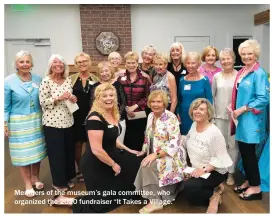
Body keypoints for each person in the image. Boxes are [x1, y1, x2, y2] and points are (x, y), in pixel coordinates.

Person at [69, 83, 142, 212]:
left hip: (111, 157)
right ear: (98, 98)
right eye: (104, 96)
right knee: (101, 205)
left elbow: (113, 140)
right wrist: (113, 164)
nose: (109, 98)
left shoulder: (112, 113)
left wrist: (129, 150)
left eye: (111, 95)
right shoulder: (94, 118)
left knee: (135, 164)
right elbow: (96, 150)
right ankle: (66, 200)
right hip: (96, 163)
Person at [134, 90, 187, 213]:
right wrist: (144, 150)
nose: (155, 104)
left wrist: (155, 155)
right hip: (154, 152)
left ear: (164, 103)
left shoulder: (171, 117)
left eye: (159, 101)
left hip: (171, 155)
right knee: (141, 160)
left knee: (148, 165)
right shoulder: (151, 116)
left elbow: (174, 143)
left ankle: (156, 201)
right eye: (153, 101)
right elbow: (147, 136)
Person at [230, 39, 269, 200]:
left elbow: (263, 98)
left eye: (250, 54)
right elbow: (240, 93)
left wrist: (243, 108)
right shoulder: (244, 70)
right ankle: (249, 181)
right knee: (245, 153)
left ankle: (256, 188)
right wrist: (232, 105)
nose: (246, 56)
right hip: (241, 120)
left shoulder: (259, 73)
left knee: (249, 154)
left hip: (251, 120)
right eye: (243, 54)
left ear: (256, 54)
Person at [4, 50, 47, 197]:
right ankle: (28, 183)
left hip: (36, 120)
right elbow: (5, 106)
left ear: (31, 64)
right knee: (23, 154)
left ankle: (35, 177)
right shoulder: (8, 81)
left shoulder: (38, 78)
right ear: (16, 64)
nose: (25, 64)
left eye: (27, 61)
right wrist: (4, 124)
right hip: (18, 122)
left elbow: (43, 99)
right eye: (21, 62)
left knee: (37, 151)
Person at [183, 98, 233, 213]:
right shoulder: (194, 124)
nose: (197, 111)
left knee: (190, 188)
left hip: (214, 170)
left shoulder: (214, 132)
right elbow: (189, 139)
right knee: (183, 184)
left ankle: (214, 197)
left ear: (208, 112)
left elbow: (221, 157)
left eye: (201, 109)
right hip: (197, 167)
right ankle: (213, 187)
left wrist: (204, 170)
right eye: (195, 109)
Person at [39, 54, 77, 192]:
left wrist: (72, 98)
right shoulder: (46, 81)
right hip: (52, 123)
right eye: (55, 62)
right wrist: (59, 97)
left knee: (68, 152)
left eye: (61, 63)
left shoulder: (67, 80)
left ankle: (68, 177)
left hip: (68, 121)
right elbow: (43, 102)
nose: (58, 65)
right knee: (56, 154)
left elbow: (69, 97)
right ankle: (58, 183)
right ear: (50, 65)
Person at [212, 48, 239, 186]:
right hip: (219, 116)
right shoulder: (217, 77)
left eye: (228, 58)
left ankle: (231, 173)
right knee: (219, 145)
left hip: (235, 118)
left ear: (233, 59)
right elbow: (212, 96)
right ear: (220, 61)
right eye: (223, 59)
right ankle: (220, 172)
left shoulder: (239, 76)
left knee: (232, 146)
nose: (226, 61)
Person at [70, 52, 99, 182]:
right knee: (77, 144)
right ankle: (80, 169)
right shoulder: (71, 79)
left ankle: (91, 168)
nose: (82, 64)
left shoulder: (95, 78)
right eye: (79, 62)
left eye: (84, 61)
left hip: (91, 114)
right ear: (76, 65)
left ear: (89, 62)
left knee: (91, 143)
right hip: (76, 115)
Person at [118, 51, 151, 151]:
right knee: (125, 139)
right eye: (129, 62)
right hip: (124, 113)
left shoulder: (145, 78)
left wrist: (136, 106)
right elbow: (118, 95)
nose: (131, 65)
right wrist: (127, 108)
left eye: (133, 62)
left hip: (140, 114)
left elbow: (149, 96)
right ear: (125, 64)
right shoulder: (120, 78)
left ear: (137, 63)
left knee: (138, 140)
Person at [89, 61, 127, 143]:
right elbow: (92, 103)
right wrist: (103, 117)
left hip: (118, 120)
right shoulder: (94, 87)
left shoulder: (118, 85)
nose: (104, 73)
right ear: (99, 73)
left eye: (106, 71)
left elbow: (124, 102)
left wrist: (116, 116)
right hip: (101, 121)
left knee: (119, 146)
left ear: (111, 72)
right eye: (102, 71)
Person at [177, 52, 213, 135]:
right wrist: (178, 112)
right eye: (188, 63)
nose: (190, 66)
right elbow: (179, 99)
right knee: (186, 139)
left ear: (198, 64)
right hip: (184, 115)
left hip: (200, 116)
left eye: (193, 63)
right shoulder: (182, 80)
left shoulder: (204, 80)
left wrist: (208, 116)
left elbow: (209, 100)